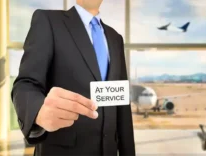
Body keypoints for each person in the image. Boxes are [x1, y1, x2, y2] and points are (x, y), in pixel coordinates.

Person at [11, 0, 136, 156]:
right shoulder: (48, 21)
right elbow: (26, 83)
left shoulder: (115, 38)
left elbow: (121, 105)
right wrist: (38, 110)